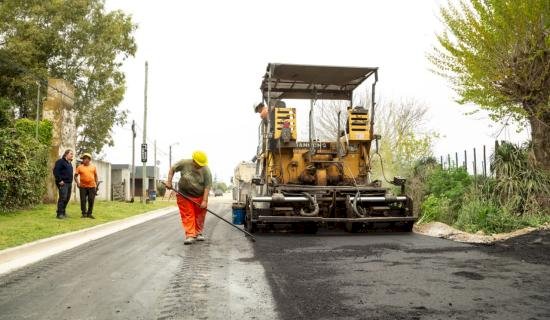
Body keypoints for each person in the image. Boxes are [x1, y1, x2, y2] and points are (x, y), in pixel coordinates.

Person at [166, 150, 212, 245]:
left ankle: (198, 233)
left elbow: (207, 186)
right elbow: (172, 169)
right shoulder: (184, 163)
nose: (200, 166)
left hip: (199, 195)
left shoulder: (206, 170)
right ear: (193, 160)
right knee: (188, 214)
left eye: (201, 165)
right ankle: (190, 235)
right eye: (198, 164)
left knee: (199, 215)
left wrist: (204, 201)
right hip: (184, 195)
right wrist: (169, 181)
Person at [74, 153, 98, 219]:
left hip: (92, 186)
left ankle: (89, 213)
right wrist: (78, 183)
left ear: (89, 159)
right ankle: (84, 213)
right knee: (83, 200)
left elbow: (96, 176)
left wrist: (96, 184)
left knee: (91, 200)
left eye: (85, 159)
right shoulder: (79, 167)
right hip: (83, 187)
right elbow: (75, 176)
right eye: (83, 159)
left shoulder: (93, 167)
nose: (83, 160)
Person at [53, 149, 74, 219]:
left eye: (72, 154)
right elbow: (55, 171)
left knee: (67, 198)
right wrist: (60, 180)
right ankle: (59, 214)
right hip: (63, 183)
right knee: (63, 198)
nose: (72, 155)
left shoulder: (69, 163)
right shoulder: (60, 162)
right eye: (71, 154)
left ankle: (63, 212)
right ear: (66, 154)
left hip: (69, 183)